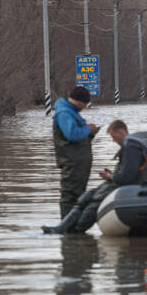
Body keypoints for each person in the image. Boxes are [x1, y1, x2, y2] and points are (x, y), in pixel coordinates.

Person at [42, 120, 147, 234]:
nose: (113, 140)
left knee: (95, 202)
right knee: (86, 196)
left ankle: (76, 231)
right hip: (119, 182)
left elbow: (126, 178)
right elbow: (128, 171)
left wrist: (109, 176)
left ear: (121, 132)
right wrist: (111, 175)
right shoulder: (131, 145)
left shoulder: (131, 147)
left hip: (129, 186)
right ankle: (62, 227)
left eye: (113, 136)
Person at [53, 86, 100, 219]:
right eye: (85, 104)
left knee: (77, 196)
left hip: (78, 164)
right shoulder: (64, 113)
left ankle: (74, 233)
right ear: (80, 102)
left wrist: (90, 134)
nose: (85, 107)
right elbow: (72, 134)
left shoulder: (71, 112)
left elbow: (76, 139)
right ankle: (66, 230)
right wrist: (87, 129)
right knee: (69, 196)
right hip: (72, 163)